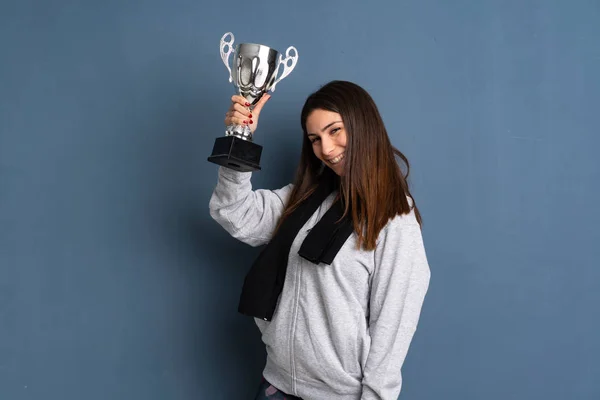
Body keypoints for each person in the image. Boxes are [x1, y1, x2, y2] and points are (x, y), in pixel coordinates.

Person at [209, 80, 431, 400]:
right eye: (315, 139)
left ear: (362, 125)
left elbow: (393, 326)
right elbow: (232, 212)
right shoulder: (305, 197)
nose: (325, 149)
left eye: (335, 130)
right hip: (276, 386)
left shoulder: (394, 217)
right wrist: (240, 136)